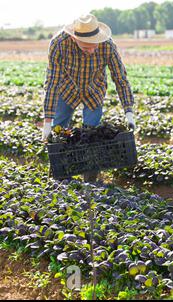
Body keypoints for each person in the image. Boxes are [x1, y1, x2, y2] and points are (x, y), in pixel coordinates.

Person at [41, 14, 136, 182]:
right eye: (86, 48)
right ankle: (61, 173)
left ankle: (90, 175)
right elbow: (52, 82)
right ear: (73, 38)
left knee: (91, 132)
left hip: (94, 89)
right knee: (59, 131)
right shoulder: (59, 44)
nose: (92, 50)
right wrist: (47, 122)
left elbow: (120, 79)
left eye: (94, 46)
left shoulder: (107, 46)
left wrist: (129, 112)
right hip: (67, 88)